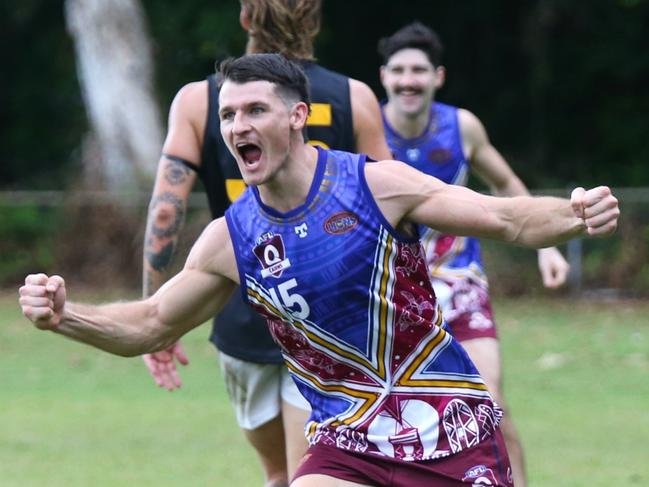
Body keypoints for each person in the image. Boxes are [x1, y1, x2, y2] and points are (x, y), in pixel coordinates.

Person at [20, 53, 619, 486]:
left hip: (448, 433)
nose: (237, 127)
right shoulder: (230, 238)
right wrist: (65, 318)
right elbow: (152, 323)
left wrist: (573, 214)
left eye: (255, 110)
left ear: (298, 116)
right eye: (228, 116)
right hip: (346, 446)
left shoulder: (375, 186)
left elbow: (506, 219)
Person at [141, 1, 391, 485]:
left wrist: (160, 312)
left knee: (280, 475)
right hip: (330, 316)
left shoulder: (199, 100)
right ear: (315, 20)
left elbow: (166, 211)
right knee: (309, 473)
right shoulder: (353, 96)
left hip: (240, 310)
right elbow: (392, 209)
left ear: (244, 20)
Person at [377, 22, 571, 486]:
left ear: (437, 76)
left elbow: (505, 185)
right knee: (394, 417)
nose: (409, 80)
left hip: (461, 288)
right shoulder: (366, 129)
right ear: (383, 76)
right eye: (399, 70)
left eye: (418, 70)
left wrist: (546, 245)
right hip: (393, 296)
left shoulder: (461, 126)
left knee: (491, 402)